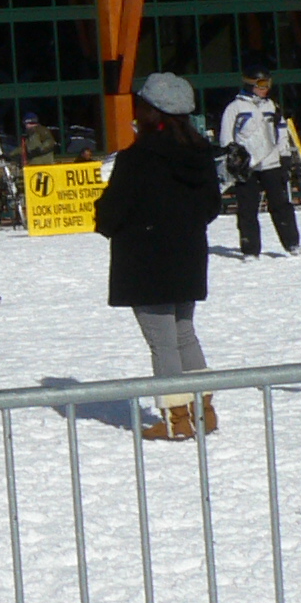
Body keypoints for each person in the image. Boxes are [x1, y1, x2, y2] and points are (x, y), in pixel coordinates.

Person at [97, 73, 223, 441]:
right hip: (188, 254)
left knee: (163, 342)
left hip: (145, 259)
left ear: (151, 111)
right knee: (184, 334)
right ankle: (204, 411)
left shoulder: (138, 158)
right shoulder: (200, 154)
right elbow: (211, 206)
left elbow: (112, 212)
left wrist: (111, 219)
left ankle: (176, 418)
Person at [219, 64, 301, 258]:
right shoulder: (235, 107)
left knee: (280, 204)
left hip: (270, 163)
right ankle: (250, 249)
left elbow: (281, 132)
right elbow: (226, 136)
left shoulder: (271, 106)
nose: (266, 89)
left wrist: (284, 156)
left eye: (268, 84)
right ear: (250, 84)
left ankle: (292, 243)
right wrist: (233, 153)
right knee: (247, 208)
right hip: (247, 166)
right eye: (261, 84)